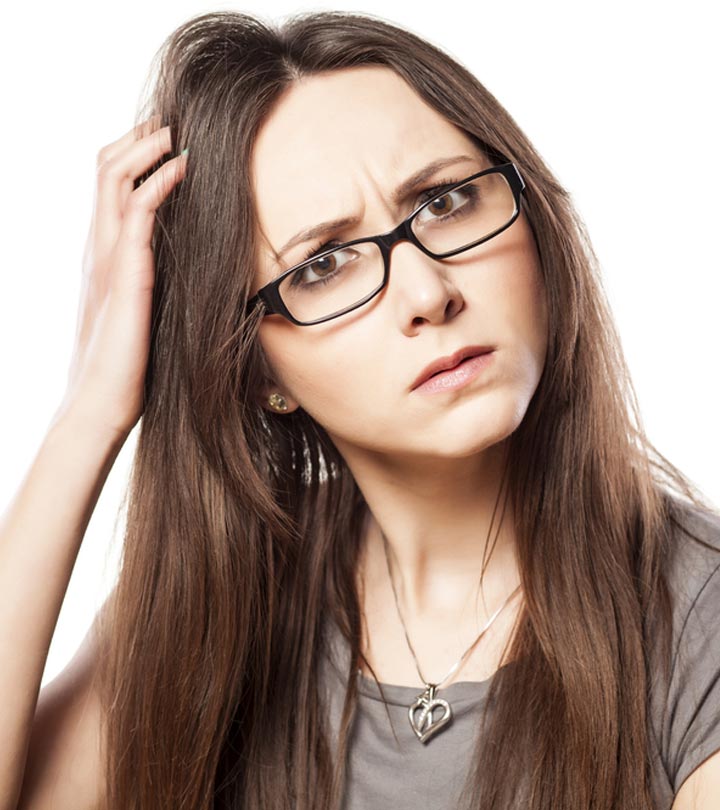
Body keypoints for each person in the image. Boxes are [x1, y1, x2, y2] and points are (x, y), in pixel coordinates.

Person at [1, 8, 719, 810]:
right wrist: (88, 413)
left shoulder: (698, 616)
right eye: (325, 264)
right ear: (254, 367)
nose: (427, 292)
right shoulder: (221, 600)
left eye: (447, 201)